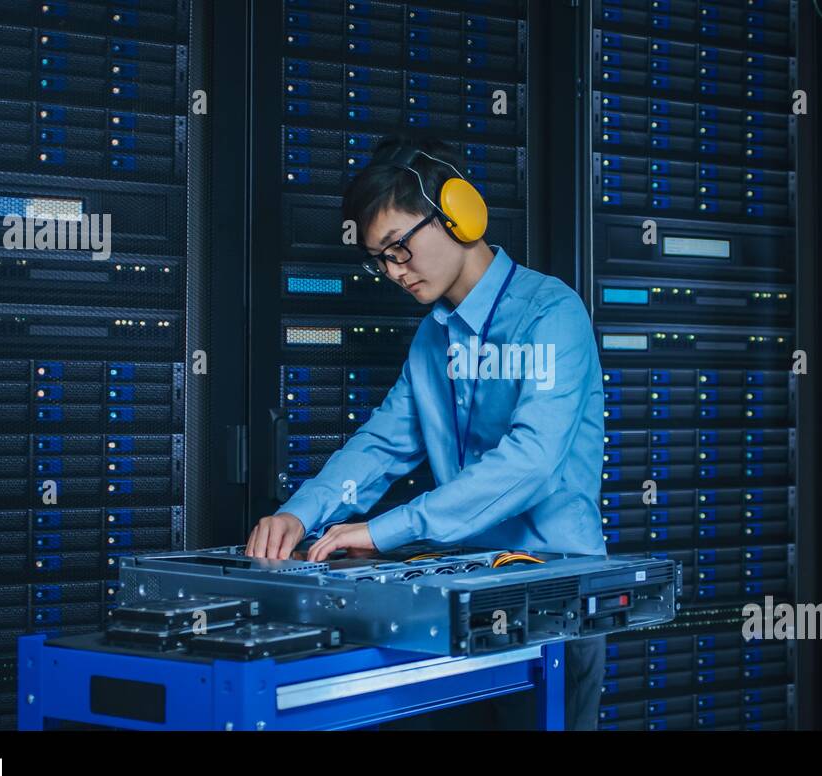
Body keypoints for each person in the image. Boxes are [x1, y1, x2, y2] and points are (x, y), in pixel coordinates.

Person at [245, 134, 607, 730]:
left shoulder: (552, 313)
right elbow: (382, 443)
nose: (392, 272)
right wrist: (300, 514)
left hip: (552, 600)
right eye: (380, 259)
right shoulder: (433, 338)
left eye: (398, 248)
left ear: (457, 215)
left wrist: (387, 529)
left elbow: (531, 461)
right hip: (464, 600)